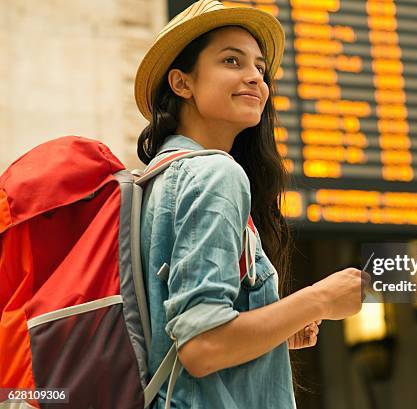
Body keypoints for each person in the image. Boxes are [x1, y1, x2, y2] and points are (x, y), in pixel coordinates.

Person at [134, 1, 366, 408]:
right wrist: (320, 299)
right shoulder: (216, 175)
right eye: (231, 60)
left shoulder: (155, 180)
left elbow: (178, 337)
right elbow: (202, 347)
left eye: (260, 68)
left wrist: (278, 327)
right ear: (181, 83)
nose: (255, 79)